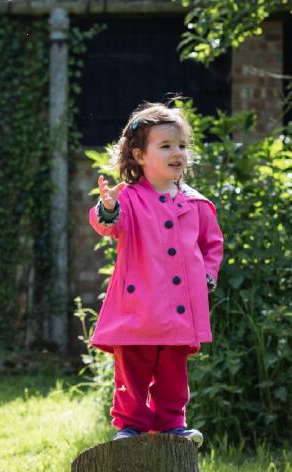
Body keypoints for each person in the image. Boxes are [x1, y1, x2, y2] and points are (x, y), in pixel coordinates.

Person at [89, 101, 224, 444]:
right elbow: (109, 225)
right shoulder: (130, 199)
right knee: (133, 367)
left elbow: (212, 244)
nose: (177, 153)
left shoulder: (197, 203)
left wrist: (207, 276)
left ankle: (172, 423)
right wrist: (107, 208)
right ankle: (130, 425)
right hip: (139, 308)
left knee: (172, 371)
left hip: (179, 308)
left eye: (181, 145)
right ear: (139, 156)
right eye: (165, 146)